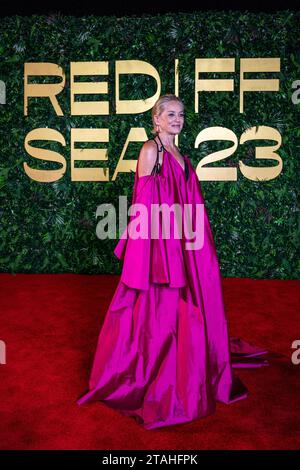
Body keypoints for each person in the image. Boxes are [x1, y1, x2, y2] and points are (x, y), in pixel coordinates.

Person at [77, 94, 268, 430]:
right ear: (156, 119)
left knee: (191, 305)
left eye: (180, 115)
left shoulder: (181, 153)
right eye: (170, 114)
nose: (177, 120)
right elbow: (144, 203)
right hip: (160, 244)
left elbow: (187, 200)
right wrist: (154, 253)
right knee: (160, 310)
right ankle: (158, 370)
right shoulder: (151, 151)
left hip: (184, 240)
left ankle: (186, 361)